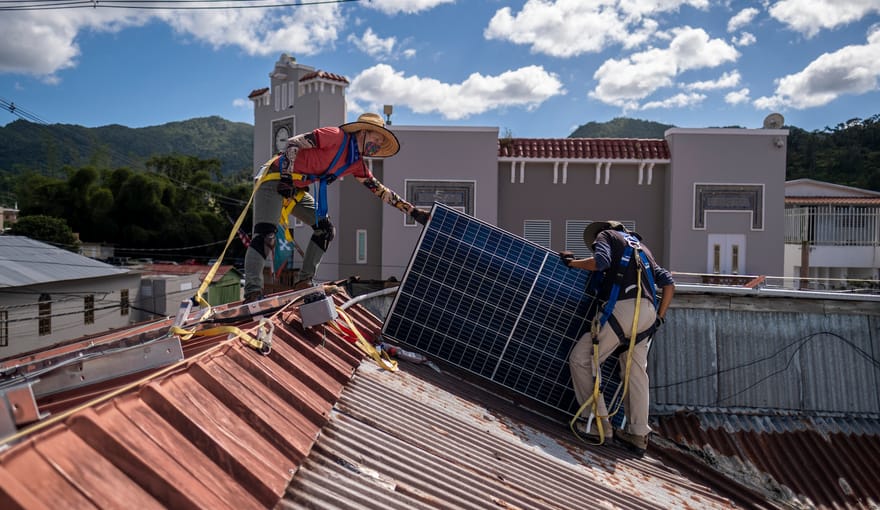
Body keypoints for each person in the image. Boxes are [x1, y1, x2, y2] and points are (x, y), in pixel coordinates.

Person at [244, 112, 430, 302]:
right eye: (376, 139)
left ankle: (304, 281)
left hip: (294, 188)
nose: (377, 145)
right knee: (266, 234)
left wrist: (413, 212)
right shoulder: (334, 136)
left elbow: (381, 191)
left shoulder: (355, 163)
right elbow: (294, 142)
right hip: (276, 178)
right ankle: (252, 291)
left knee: (325, 229)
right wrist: (286, 176)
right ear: (363, 132)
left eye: (380, 143)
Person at [559, 220, 674, 456]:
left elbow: (600, 262)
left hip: (622, 308)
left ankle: (598, 423)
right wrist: (659, 318)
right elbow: (669, 283)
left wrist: (572, 263)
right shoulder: (643, 250)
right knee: (635, 372)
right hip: (649, 315)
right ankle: (638, 434)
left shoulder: (607, 236)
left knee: (583, 358)